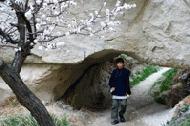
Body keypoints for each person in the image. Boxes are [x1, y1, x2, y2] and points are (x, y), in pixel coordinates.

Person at [109, 58, 131, 125]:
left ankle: (121, 115)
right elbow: (111, 81)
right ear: (116, 64)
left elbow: (127, 82)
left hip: (123, 91)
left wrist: (128, 90)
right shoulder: (114, 72)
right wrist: (112, 87)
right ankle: (114, 119)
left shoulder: (126, 72)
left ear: (123, 63)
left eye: (121, 63)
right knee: (114, 106)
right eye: (118, 63)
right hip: (115, 91)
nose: (119, 64)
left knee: (123, 105)